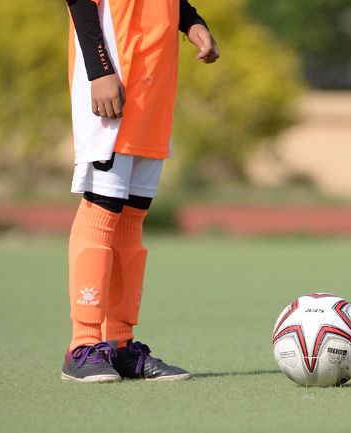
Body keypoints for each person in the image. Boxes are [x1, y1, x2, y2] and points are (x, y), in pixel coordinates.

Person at [61, 0, 219, 382]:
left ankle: (119, 346)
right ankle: (82, 346)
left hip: (153, 84)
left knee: (133, 213)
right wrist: (100, 70)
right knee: (103, 206)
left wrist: (191, 21)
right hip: (113, 75)